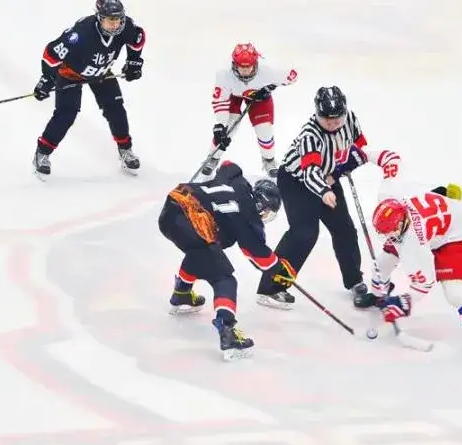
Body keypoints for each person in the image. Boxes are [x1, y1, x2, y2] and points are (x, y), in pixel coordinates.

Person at [254, 85, 401, 310]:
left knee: (345, 229)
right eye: (326, 119)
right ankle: (270, 288)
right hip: (297, 182)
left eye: (337, 119)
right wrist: (324, 190)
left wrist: (343, 167)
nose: (332, 124)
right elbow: (310, 172)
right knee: (304, 233)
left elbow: (358, 147)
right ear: (317, 114)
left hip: (329, 177)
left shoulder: (350, 119)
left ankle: (354, 280)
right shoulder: (310, 135)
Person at [158, 161, 290, 360]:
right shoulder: (247, 216)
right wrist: (278, 269)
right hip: (192, 219)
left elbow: (228, 165)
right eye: (267, 210)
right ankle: (227, 331)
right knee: (225, 279)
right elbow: (259, 255)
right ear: (260, 203)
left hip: (173, 205)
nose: (265, 215)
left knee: (201, 252)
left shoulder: (236, 181)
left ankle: (182, 293)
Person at [369, 184, 462, 360]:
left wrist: (404, 302)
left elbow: (425, 282)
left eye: (390, 232)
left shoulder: (413, 242)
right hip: (438, 215)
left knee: (454, 292)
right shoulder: (398, 214)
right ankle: (378, 297)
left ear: (402, 223)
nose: (387, 237)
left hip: (452, 235)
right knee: (382, 264)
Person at [30, 0, 146, 178]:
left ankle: (125, 150)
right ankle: (42, 153)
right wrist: (47, 79)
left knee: (115, 108)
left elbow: (138, 38)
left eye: (118, 19)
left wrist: (134, 62)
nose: (115, 24)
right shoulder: (81, 33)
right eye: (110, 20)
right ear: (99, 18)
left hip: (101, 73)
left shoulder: (127, 27)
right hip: (70, 74)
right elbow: (51, 53)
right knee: (66, 114)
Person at [197, 43, 298, 180]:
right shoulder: (224, 74)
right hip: (233, 96)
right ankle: (213, 158)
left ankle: (269, 160)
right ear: (234, 64)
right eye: (241, 66)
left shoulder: (266, 71)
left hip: (258, 97)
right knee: (226, 130)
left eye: (248, 66)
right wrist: (220, 124)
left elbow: (293, 75)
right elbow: (220, 100)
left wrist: (270, 86)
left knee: (264, 130)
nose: (245, 70)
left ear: (255, 64)